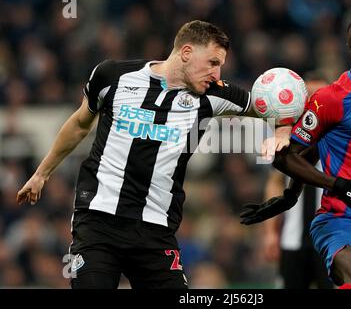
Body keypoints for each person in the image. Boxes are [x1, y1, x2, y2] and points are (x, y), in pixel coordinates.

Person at [16, 20, 255, 289]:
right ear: (186, 52)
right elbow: (80, 124)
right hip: (98, 220)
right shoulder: (112, 76)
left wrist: (282, 131)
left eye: (220, 65)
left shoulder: (215, 94)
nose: (217, 72)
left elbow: (270, 108)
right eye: (212, 62)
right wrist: (41, 173)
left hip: (155, 231)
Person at [241, 17, 351, 289]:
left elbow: (317, 148)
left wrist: (289, 195)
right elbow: (286, 156)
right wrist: (339, 186)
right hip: (340, 222)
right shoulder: (332, 98)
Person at [262, 75, 333, 289]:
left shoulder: (341, 136)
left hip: (331, 242)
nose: (314, 102)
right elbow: (274, 183)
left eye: (319, 97)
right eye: (308, 97)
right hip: (292, 241)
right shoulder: (285, 136)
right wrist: (270, 233)